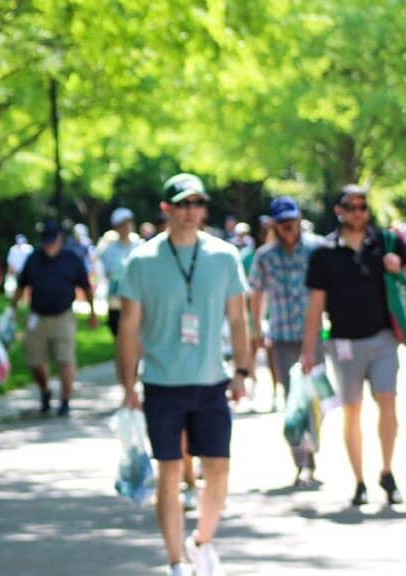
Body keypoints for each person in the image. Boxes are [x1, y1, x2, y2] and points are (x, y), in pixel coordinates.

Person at [118, 173, 251, 576]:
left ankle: (201, 542)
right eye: (182, 204)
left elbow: (238, 319)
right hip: (162, 384)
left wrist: (242, 370)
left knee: (218, 472)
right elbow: (128, 328)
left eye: (197, 203)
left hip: (211, 382)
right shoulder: (142, 260)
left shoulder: (224, 256)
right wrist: (127, 385)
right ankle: (176, 561)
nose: (190, 212)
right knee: (171, 471)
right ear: (166, 209)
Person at [301, 184, 404, 507]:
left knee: (387, 401)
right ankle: (359, 481)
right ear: (339, 211)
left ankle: (387, 472)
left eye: (363, 206)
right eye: (352, 207)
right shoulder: (324, 252)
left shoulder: (384, 243)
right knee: (353, 410)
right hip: (344, 342)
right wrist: (308, 350)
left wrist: (398, 268)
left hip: (383, 337)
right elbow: (315, 304)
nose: (359, 213)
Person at [248, 197, 322, 485]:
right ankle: (302, 460)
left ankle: (312, 448)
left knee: (316, 397)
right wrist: (256, 329)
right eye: (282, 223)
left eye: (291, 221)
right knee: (292, 399)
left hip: (313, 336)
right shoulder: (265, 256)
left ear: (299, 219)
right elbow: (256, 293)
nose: (288, 227)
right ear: (274, 225)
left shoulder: (317, 248)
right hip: (281, 337)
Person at [12, 221, 95, 417]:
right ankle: (45, 391)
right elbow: (21, 286)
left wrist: (92, 312)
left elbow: (86, 286)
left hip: (63, 316)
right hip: (38, 317)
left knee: (65, 359)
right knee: (35, 361)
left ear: (60, 239)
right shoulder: (34, 258)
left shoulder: (71, 259)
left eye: (53, 240)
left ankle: (65, 400)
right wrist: (12, 309)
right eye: (46, 241)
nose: (49, 245)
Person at [98, 207, 143, 337]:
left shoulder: (140, 246)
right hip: (116, 300)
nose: (126, 227)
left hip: (137, 298)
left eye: (128, 222)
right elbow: (109, 273)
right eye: (122, 224)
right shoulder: (109, 249)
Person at [5, 233, 34, 298]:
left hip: (27, 271)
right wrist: (11, 272)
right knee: (18, 287)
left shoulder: (29, 248)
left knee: (27, 288)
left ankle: (25, 300)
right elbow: (10, 262)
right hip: (16, 271)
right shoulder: (13, 249)